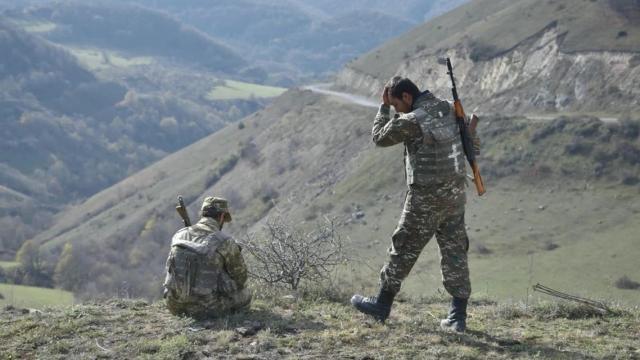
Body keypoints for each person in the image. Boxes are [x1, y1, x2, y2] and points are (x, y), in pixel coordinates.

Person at [351, 76, 471, 332]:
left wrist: (383, 108)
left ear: (407, 97)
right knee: (455, 252)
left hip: (426, 198)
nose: (397, 110)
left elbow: (379, 137)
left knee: (403, 248)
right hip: (455, 194)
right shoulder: (448, 107)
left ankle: (381, 306)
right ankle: (458, 316)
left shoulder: (412, 120)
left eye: (396, 105)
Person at [163, 196, 251, 318]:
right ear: (221, 217)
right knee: (245, 294)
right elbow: (241, 278)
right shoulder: (225, 241)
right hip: (208, 310)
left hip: (174, 306)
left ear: (203, 214)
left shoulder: (178, 235)